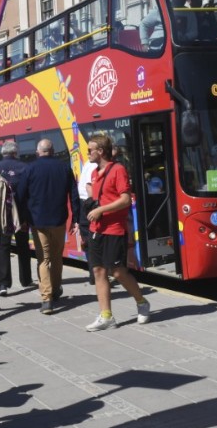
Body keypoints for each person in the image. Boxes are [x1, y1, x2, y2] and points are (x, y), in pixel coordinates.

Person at [84, 134, 150, 331]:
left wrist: (100, 210)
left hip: (114, 229)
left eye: (90, 150)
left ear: (101, 151)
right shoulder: (95, 173)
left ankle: (141, 302)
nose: (87, 153)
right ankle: (106, 316)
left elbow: (125, 199)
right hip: (97, 229)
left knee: (118, 271)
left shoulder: (118, 170)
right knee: (98, 271)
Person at [15, 139, 81, 314]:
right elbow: (74, 195)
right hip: (59, 219)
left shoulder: (30, 169)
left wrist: (22, 219)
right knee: (56, 257)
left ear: (38, 152)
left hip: (37, 222)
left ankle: (47, 299)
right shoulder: (64, 167)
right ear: (53, 151)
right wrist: (76, 218)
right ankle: (56, 289)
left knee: (43, 259)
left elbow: (20, 196)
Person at [0, 141, 34, 293]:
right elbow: (29, 194)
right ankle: (26, 279)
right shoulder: (25, 167)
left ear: (2, 152)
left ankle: (3, 284)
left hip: (2, 214)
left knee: (3, 247)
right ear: (16, 152)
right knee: (23, 246)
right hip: (21, 213)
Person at [77, 158, 98, 286]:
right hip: (89, 204)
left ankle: (93, 275)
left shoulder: (87, 164)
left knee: (88, 242)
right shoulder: (94, 166)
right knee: (93, 241)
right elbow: (89, 186)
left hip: (84, 203)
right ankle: (95, 275)